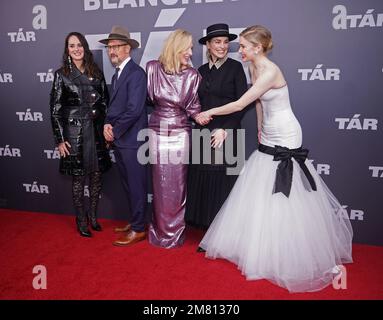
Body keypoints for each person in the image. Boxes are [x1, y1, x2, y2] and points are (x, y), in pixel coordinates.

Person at [196, 25, 353, 292]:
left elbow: (239, 103)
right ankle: (261, 243)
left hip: (286, 133)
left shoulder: (269, 70)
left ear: (257, 48)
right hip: (269, 130)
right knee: (261, 182)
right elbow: (259, 103)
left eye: (243, 46)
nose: (239, 49)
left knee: (284, 188)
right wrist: (260, 126)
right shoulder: (252, 66)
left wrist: (208, 112)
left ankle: (288, 248)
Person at [185, 23, 248, 232]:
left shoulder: (236, 68)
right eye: (217, 42)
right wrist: (196, 119)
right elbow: (194, 104)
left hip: (228, 133)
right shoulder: (200, 71)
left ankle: (222, 233)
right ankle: (206, 229)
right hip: (203, 133)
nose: (222, 46)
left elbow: (241, 104)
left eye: (225, 42)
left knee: (224, 184)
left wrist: (226, 130)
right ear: (208, 46)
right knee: (203, 182)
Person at [50, 32, 111, 237]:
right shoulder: (62, 75)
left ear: (85, 47)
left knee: (96, 177)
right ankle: (80, 219)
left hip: (95, 132)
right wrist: (60, 140)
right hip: (75, 133)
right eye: (71, 46)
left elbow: (104, 103)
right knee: (79, 179)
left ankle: (93, 216)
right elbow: (55, 110)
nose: (76, 49)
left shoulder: (96, 72)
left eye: (79, 45)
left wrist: (106, 130)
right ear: (67, 50)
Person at [146, 29, 201, 248]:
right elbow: (150, 97)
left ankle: (175, 234)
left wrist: (210, 117)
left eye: (191, 49)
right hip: (157, 131)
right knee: (159, 184)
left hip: (180, 132)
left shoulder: (193, 75)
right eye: (187, 48)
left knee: (177, 186)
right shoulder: (152, 68)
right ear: (176, 47)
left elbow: (194, 108)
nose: (190, 52)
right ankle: (159, 230)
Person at [99, 26, 148, 246]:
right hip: (121, 140)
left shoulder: (136, 74)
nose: (112, 51)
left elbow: (134, 110)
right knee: (129, 185)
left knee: (136, 186)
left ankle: (139, 229)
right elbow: (116, 108)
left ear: (128, 48)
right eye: (109, 47)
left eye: (116, 47)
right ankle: (135, 221)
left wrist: (114, 131)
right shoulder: (118, 74)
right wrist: (108, 125)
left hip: (133, 141)